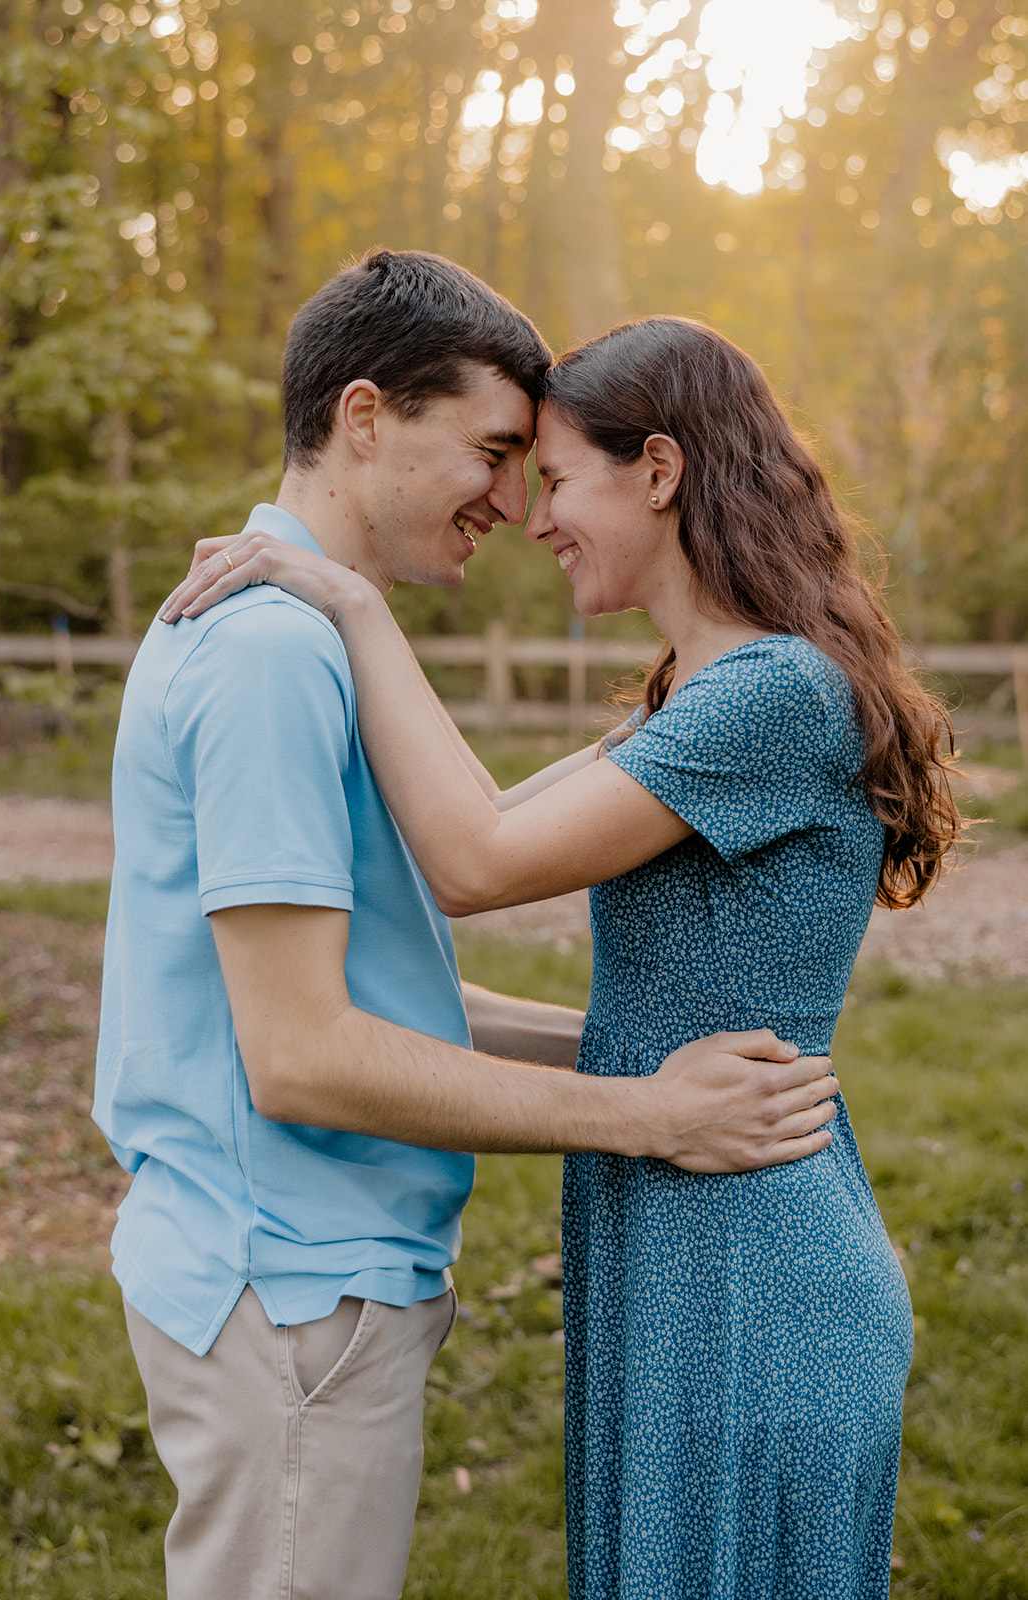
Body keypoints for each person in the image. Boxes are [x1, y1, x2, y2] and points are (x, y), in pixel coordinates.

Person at [163, 312, 963, 1599]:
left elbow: (477, 864)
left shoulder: (769, 697)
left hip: (751, 1251)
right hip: (677, 1216)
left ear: (657, 471)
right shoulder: (691, 698)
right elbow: (463, 838)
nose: (534, 520)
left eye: (556, 480)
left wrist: (353, 603)